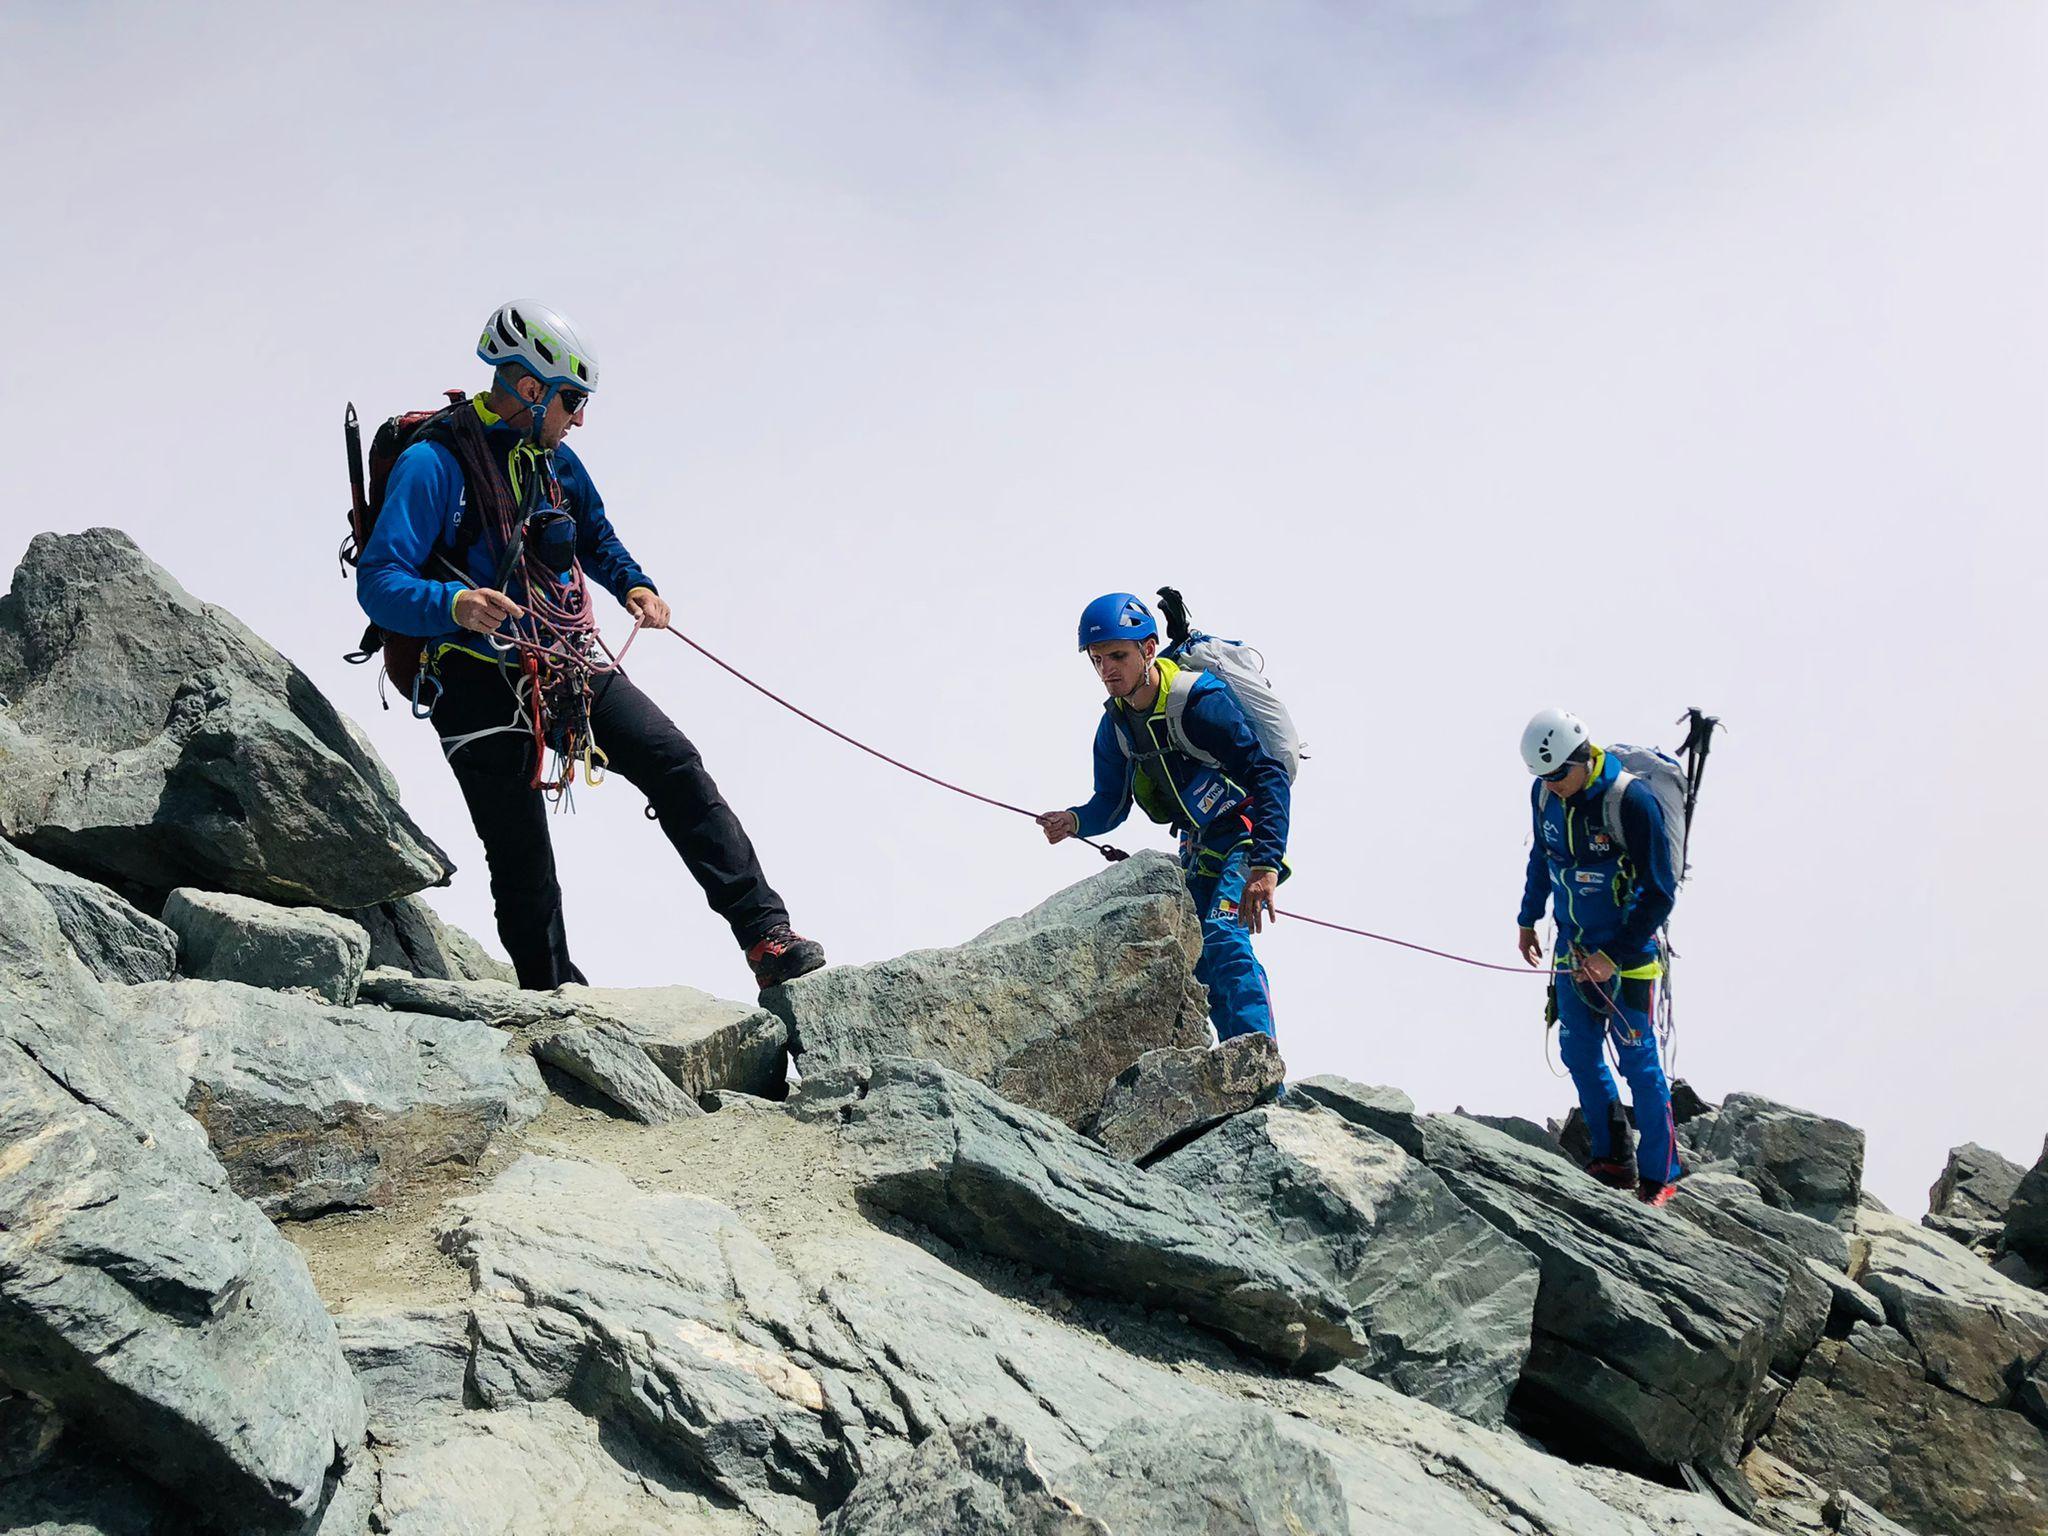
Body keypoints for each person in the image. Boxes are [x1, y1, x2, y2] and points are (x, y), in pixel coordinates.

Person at [355, 300, 825, 995]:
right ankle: (554, 1002)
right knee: (521, 855)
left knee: (674, 764)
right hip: (468, 675)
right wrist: (455, 604)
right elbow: (380, 583)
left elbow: (595, 538)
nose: (579, 418)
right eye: (572, 400)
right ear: (527, 388)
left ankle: (766, 937)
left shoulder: (559, 467)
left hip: (562, 662)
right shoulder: (434, 465)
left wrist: (633, 585)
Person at [1037, 593, 1289, 1043]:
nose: (1106, 669)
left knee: (1223, 938)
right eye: (1097, 659)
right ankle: (1239, 1064)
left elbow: (1268, 774)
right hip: (1197, 844)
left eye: (1118, 655)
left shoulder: (1197, 703)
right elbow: (1110, 803)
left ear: (1149, 649)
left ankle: (1263, 1066)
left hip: (1244, 837)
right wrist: (1074, 821)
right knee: (1197, 954)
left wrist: (1265, 866)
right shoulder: (1114, 726)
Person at [1514, 708, 1681, 1205]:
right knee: (1578, 1051)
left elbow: (1659, 892)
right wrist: (1527, 918)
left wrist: (1613, 955)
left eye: (1558, 774)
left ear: (1582, 757)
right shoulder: (1545, 795)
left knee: (1639, 1062)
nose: (1552, 785)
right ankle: (1612, 1156)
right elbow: (1542, 857)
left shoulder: (1632, 802)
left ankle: (1661, 1173)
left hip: (1629, 955)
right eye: (1542, 777)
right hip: (1573, 948)